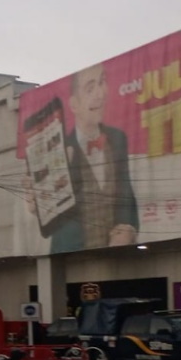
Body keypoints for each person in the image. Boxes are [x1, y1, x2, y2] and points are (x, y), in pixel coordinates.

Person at [32, 63, 139, 254]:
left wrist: (128, 228)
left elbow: (126, 194)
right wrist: (38, 204)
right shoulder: (57, 150)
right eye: (90, 88)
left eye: (102, 82)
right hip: (72, 257)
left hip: (116, 257)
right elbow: (50, 215)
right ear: (74, 105)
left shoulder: (118, 138)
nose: (101, 93)